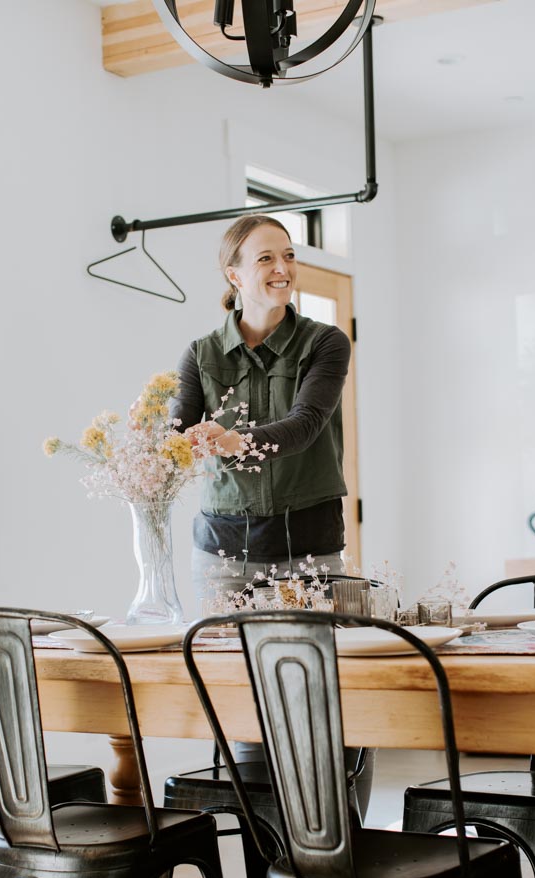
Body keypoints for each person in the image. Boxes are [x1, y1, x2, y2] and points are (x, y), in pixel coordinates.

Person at [169, 213, 374, 815]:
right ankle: (268, 848)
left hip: (308, 541)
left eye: (288, 256)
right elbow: (180, 428)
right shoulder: (202, 353)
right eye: (266, 259)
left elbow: (307, 424)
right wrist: (163, 436)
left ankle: (339, 839)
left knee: (324, 694)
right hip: (222, 549)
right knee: (240, 698)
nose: (283, 269)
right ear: (233, 273)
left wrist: (235, 440)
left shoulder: (325, 342)